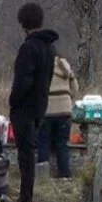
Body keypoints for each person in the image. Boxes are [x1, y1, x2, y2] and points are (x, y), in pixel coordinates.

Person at [8, 3, 58, 202]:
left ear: (23, 23)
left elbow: (23, 81)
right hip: (40, 107)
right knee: (29, 156)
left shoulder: (29, 48)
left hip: (25, 109)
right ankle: (25, 199)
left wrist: (13, 100)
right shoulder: (49, 47)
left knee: (25, 158)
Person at [35, 48, 79, 178]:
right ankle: (65, 175)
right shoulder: (64, 66)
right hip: (64, 111)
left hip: (46, 110)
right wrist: (66, 98)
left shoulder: (41, 66)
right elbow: (75, 88)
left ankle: (42, 176)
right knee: (62, 144)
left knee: (43, 142)